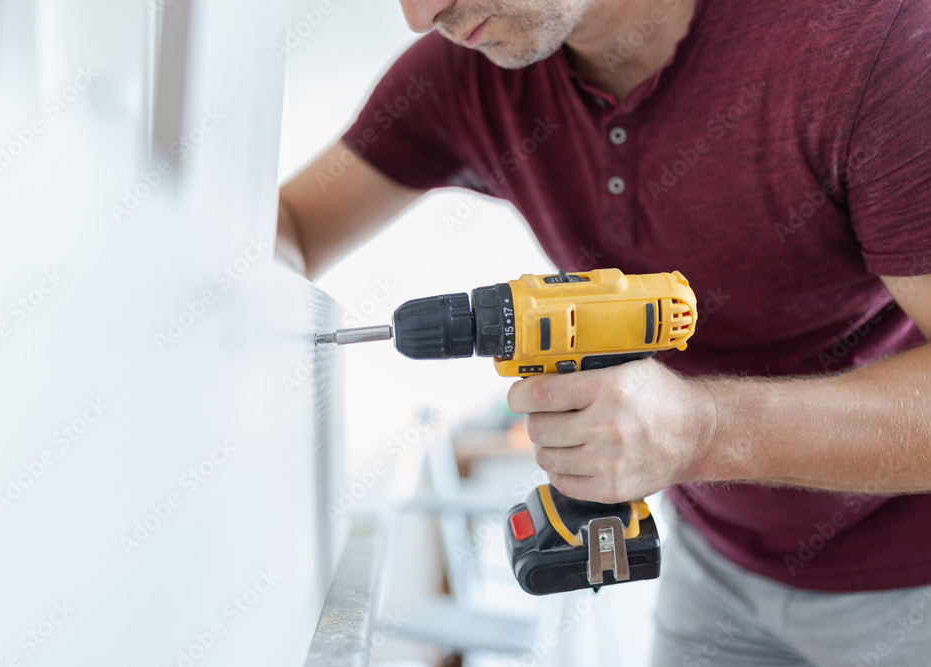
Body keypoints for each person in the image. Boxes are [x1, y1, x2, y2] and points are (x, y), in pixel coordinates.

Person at [276, 0, 931, 663]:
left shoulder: (874, 42)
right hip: (715, 567)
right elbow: (292, 225)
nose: (420, 14)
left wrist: (703, 429)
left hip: (913, 580)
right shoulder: (468, 74)